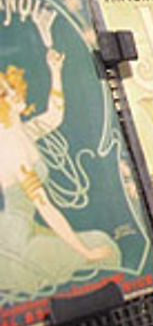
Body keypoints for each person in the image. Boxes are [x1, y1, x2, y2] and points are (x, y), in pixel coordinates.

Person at [0, 41, 119, 297]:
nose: (14, 93)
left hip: (29, 231)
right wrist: (85, 253)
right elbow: (46, 207)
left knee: (101, 242)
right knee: (99, 246)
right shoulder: (11, 147)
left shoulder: (22, 132)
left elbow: (54, 116)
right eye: (4, 93)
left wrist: (55, 71)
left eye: (10, 87)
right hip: (17, 243)